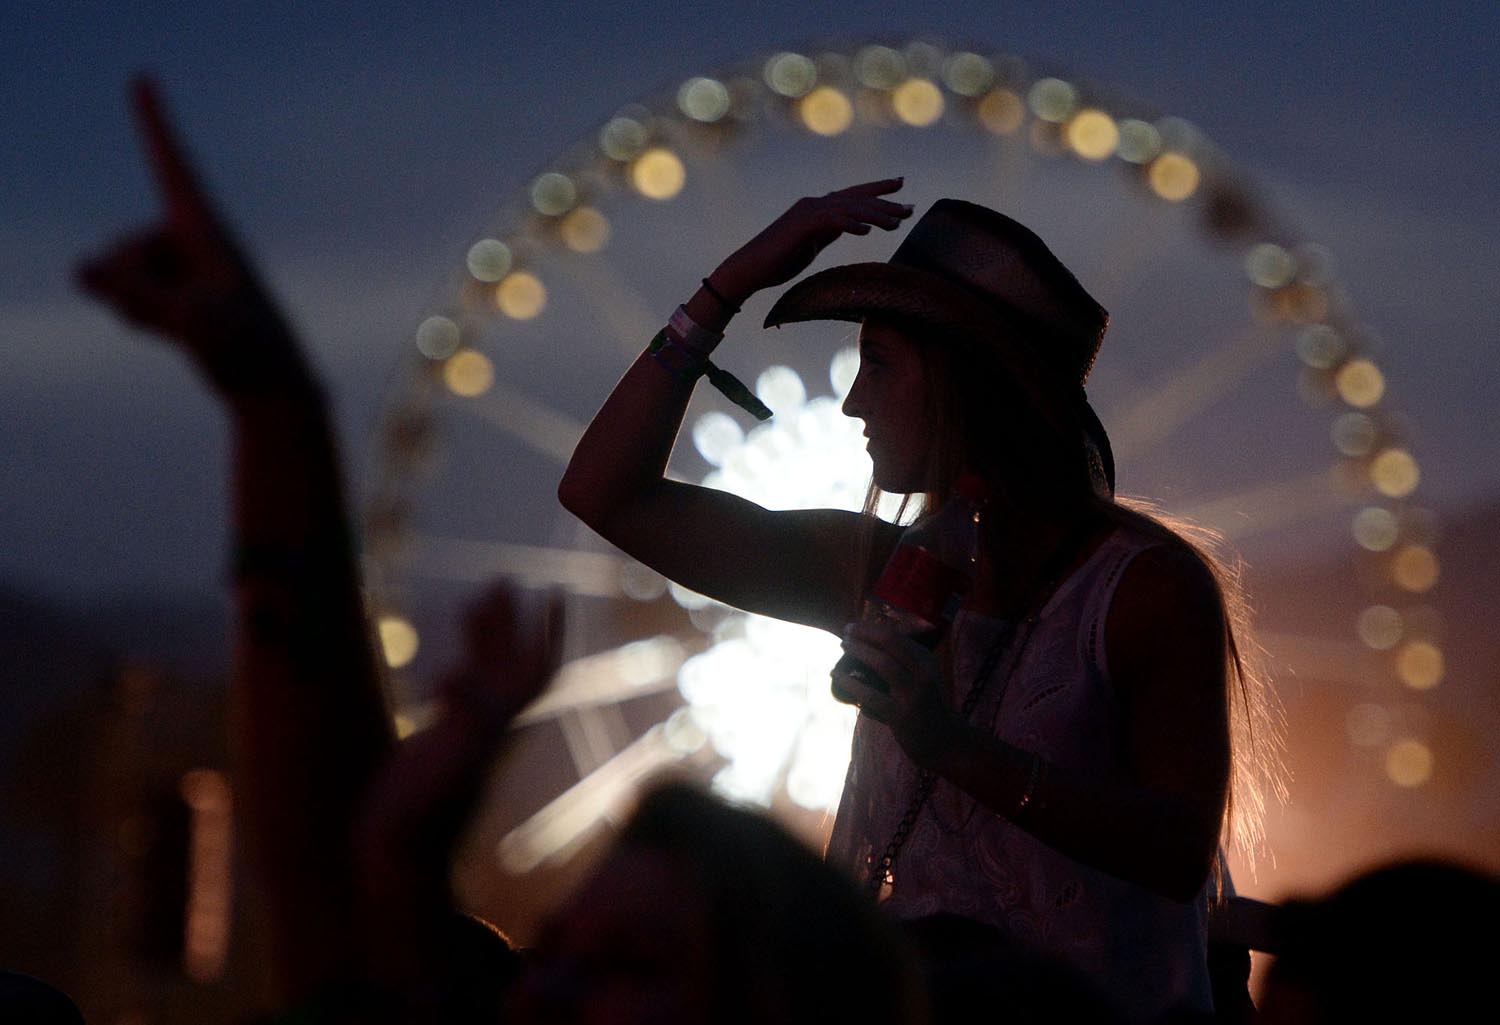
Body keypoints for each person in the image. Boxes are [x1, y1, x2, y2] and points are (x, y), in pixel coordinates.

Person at [559, 182, 1283, 1022]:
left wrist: (951, 746)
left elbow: (1175, 849)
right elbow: (605, 493)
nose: (853, 400)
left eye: (878, 364)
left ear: (959, 379)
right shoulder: (877, 562)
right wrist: (730, 284)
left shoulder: (1145, 587)